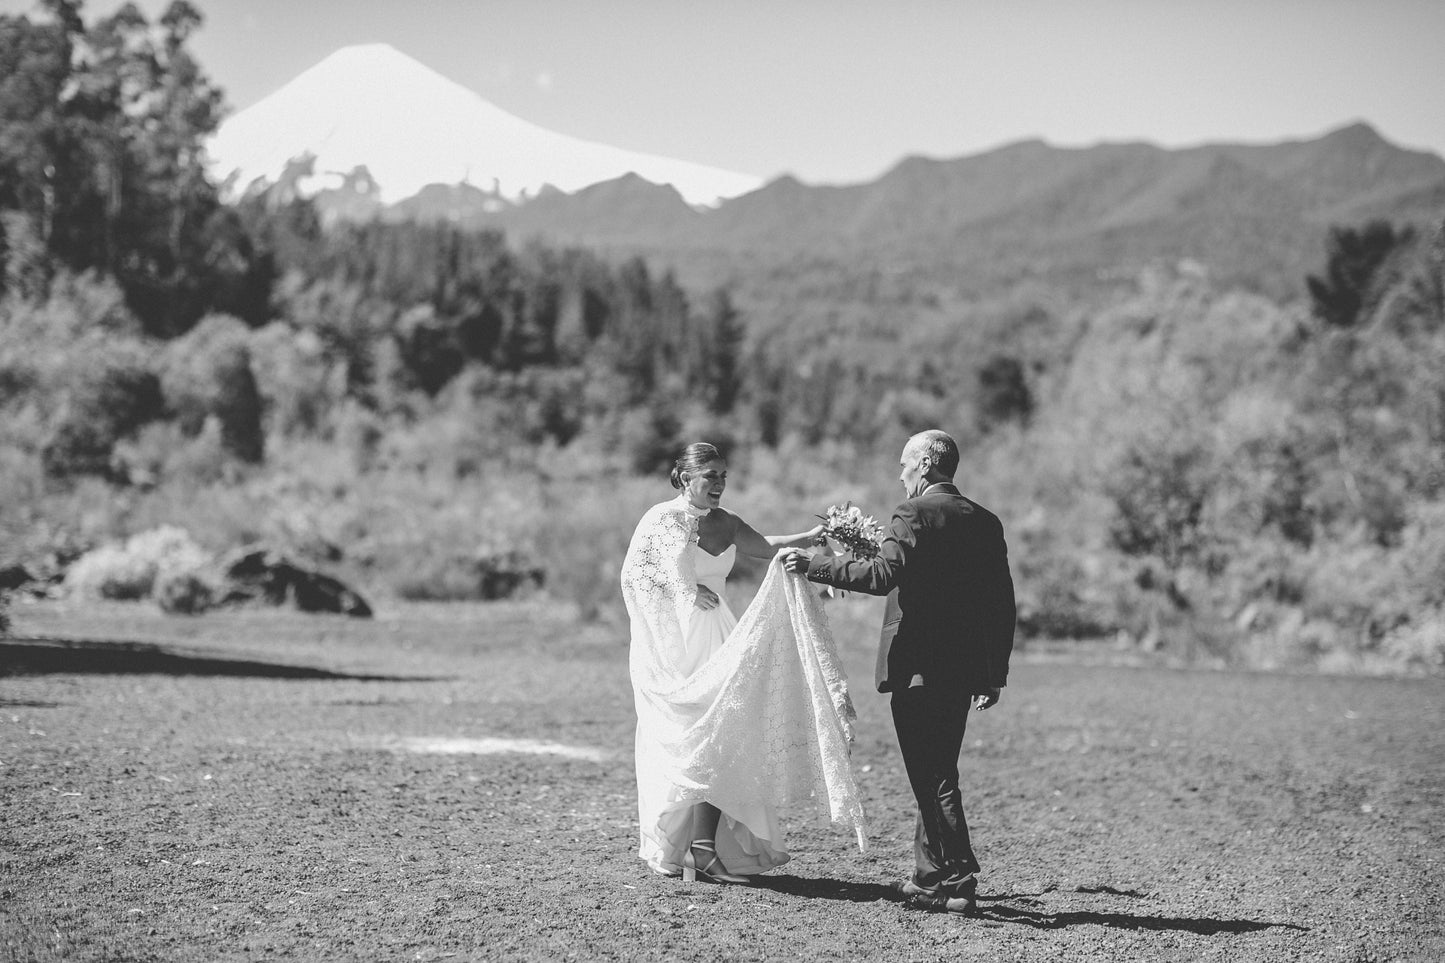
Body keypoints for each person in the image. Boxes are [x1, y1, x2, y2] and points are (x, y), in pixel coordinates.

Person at [782, 429, 1016, 915]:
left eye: (905, 463)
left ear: (927, 465)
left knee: (931, 773)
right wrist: (994, 673)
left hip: (917, 668)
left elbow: (884, 575)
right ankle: (930, 878)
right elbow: (1000, 604)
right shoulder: (987, 522)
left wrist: (815, 564)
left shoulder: (912, 514)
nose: (900, 472)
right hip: (964, 668)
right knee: (939, 768)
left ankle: (959, 873)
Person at [620, 442, 866, 884]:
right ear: (684, 477)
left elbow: (763, 546)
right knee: (694, 738)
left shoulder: (726, 522)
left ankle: (703, 847)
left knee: (726, 734)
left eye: (723, 476)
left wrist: (810, 539)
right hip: (678, 641)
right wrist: (686, 591)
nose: (719, 484)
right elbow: (636, 575)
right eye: (710, 476)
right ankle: (692, 847)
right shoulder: (661, 519)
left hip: (719, 634)